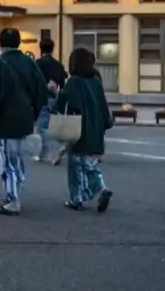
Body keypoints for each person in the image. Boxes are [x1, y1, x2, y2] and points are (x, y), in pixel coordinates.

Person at [0, 28, 48, 216]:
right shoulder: (29, 62)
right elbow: (41, 89)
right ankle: (17, 187)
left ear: (1, 43)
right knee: (17, 157)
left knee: (8, 159)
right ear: (19, 42)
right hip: (25, 115)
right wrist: (33, 112)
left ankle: (12, 198)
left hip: (5, 117)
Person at [54, 47, 114, 212]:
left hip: (78, 127)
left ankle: (77, 198)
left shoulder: (73, 82)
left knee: (75, 166)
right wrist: (105, 125)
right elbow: (103, 108)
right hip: (96, 129)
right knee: (90, 164)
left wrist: (55, 93)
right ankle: (101, 187)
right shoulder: (96, 82)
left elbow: (64, 104)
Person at [34, 38, 68, 163]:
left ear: (41, 48)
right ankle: (44, 152)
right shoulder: (58, 65)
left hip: (42, 97)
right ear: (52, 49)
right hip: (55, 97)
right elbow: (64, 81)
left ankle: (57, 146)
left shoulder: (37, 63)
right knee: (49, 125)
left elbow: (34, 81)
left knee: (42, 127)